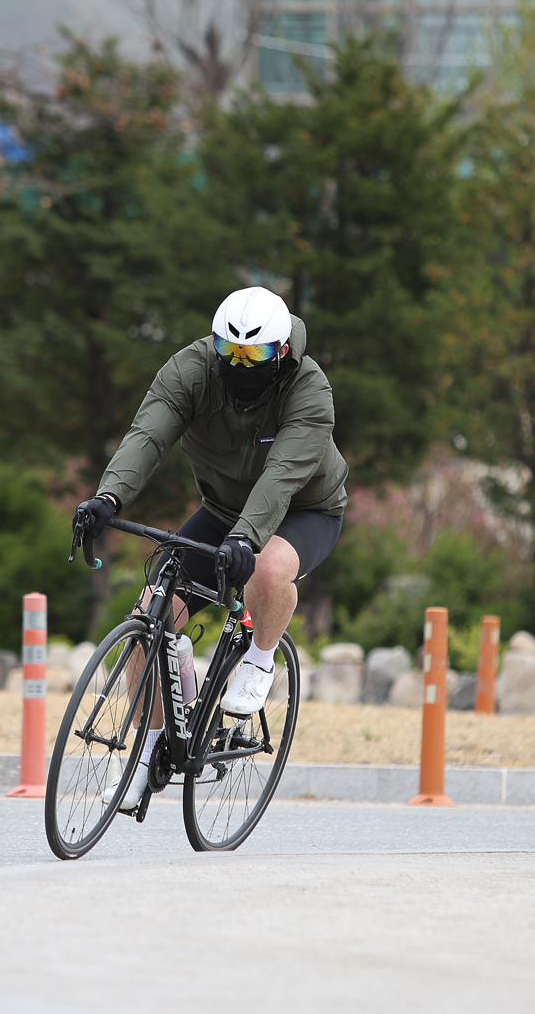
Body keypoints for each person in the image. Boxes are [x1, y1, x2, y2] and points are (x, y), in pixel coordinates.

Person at [74, 285, 350, 810]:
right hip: (224, 511)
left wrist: (246, 538)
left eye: (254, 354)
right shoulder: (191, 369)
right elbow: (148, 435)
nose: (239, 364)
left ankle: (260, 660)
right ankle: (147, 754)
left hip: (304, 509)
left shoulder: (310, 389)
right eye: (230, 351)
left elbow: (282, 475)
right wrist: (108, 497)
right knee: (150, 618)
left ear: (281, 351)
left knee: (267, 570)